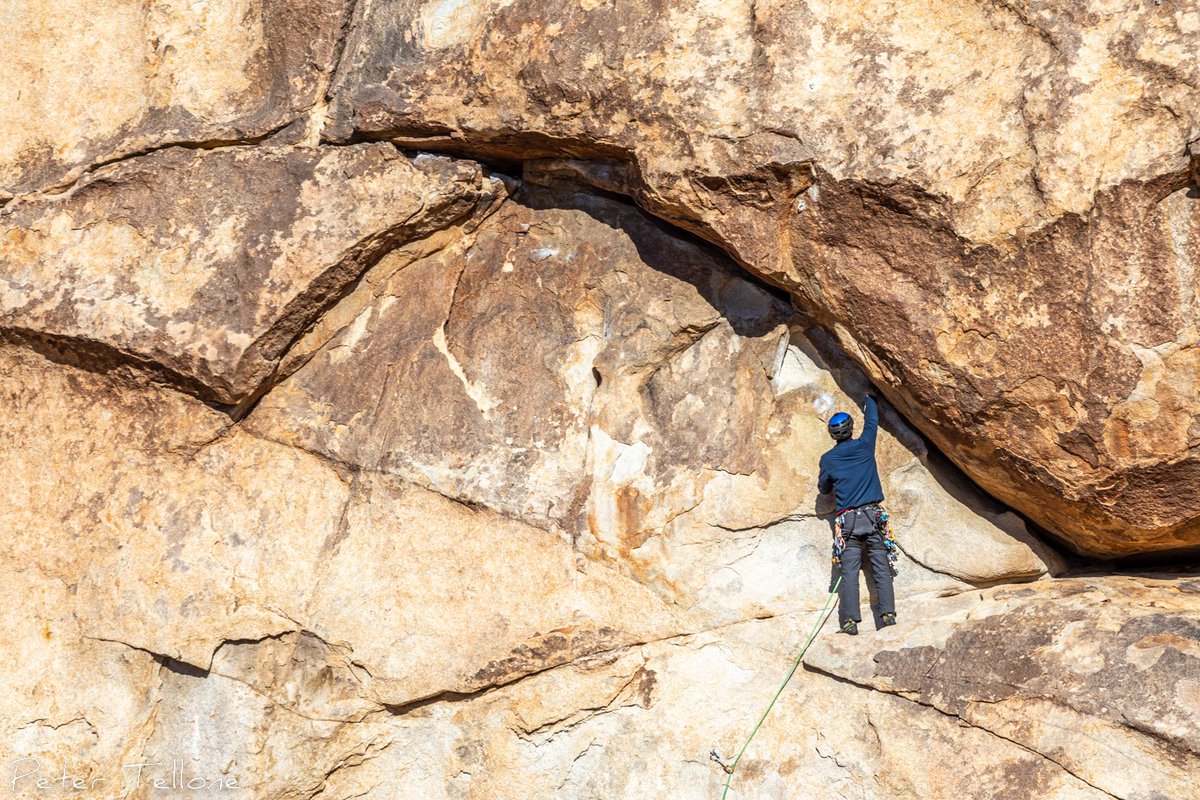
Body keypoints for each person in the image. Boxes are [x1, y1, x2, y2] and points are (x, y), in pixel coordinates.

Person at [818, 391, 897, 635]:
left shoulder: (828, 459)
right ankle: (888, 616)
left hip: (848, 522)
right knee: (880, 566)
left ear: (832, 434)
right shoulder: (864, 445)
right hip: (873, 517)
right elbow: (872, 421)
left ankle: (850, 623)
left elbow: (823, 488)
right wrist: (870, 397)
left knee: (849, 572)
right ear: (851, 429)